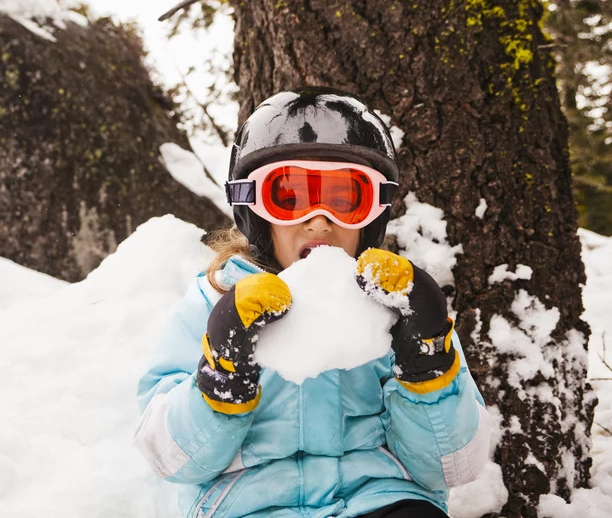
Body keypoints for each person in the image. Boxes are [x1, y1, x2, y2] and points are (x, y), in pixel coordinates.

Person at [134, 88, 491, 518]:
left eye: (345, 200)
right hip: (250, 506)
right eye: (290, 198)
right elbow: (171, 459)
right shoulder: (213, 300)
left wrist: (428, 363)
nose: (320, 220)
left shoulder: (395, 305)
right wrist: (222, 374)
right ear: (255, 211)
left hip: (381, 500)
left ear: (373, 216)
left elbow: (456, 465)